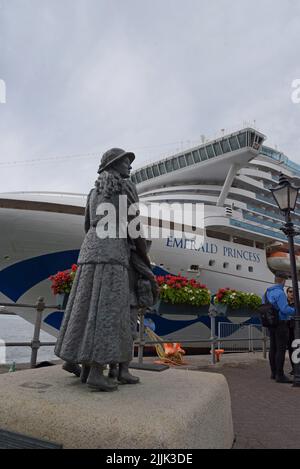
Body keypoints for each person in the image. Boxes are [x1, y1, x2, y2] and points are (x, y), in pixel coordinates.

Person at [55, 148, 156, 391]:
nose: (129, 167)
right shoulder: (126, 190)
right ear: (114, 165)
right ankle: (97, 371)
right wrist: (143, 255)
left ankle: (79, 361)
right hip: (113, 254)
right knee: (109, 309)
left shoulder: (93, 192)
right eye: (125, 162)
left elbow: (88, 224)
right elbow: (134, 228)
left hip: (90, 252)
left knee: (84, 305)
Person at [264, 272, 296, 383]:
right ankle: (280, 375)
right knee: (281, 350)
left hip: (270, 323)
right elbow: (284, 309)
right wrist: (296, 311)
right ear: (283, 281)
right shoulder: (280, 293)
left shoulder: (267, 292)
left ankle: (273, 373)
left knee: (272, 349)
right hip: (280, 324)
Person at [286, 286, 295, 375]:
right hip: (287, 329)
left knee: (296, 349)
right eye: (290, 291)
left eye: (293, 291)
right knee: (290, 349)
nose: (292, 293)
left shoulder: (298, 304)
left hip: (296, 329)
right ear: (287, 293)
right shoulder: (284, 304)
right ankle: (294, 368)